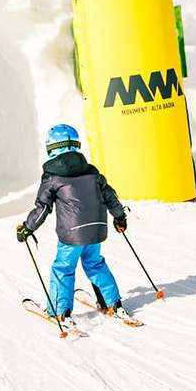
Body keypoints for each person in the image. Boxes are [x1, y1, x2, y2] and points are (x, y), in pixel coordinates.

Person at [16, 123, 129, 331]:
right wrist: (120, 217)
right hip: (96, 229)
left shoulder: (52, 176)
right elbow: (110, 197)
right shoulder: (92, 171)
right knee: (95, 263)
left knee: (63, 268)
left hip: (72, 234)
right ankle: (112, 303)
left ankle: (60, 311)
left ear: (51, 148)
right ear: (76, 145)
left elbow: (42, 208)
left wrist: (27, 228)